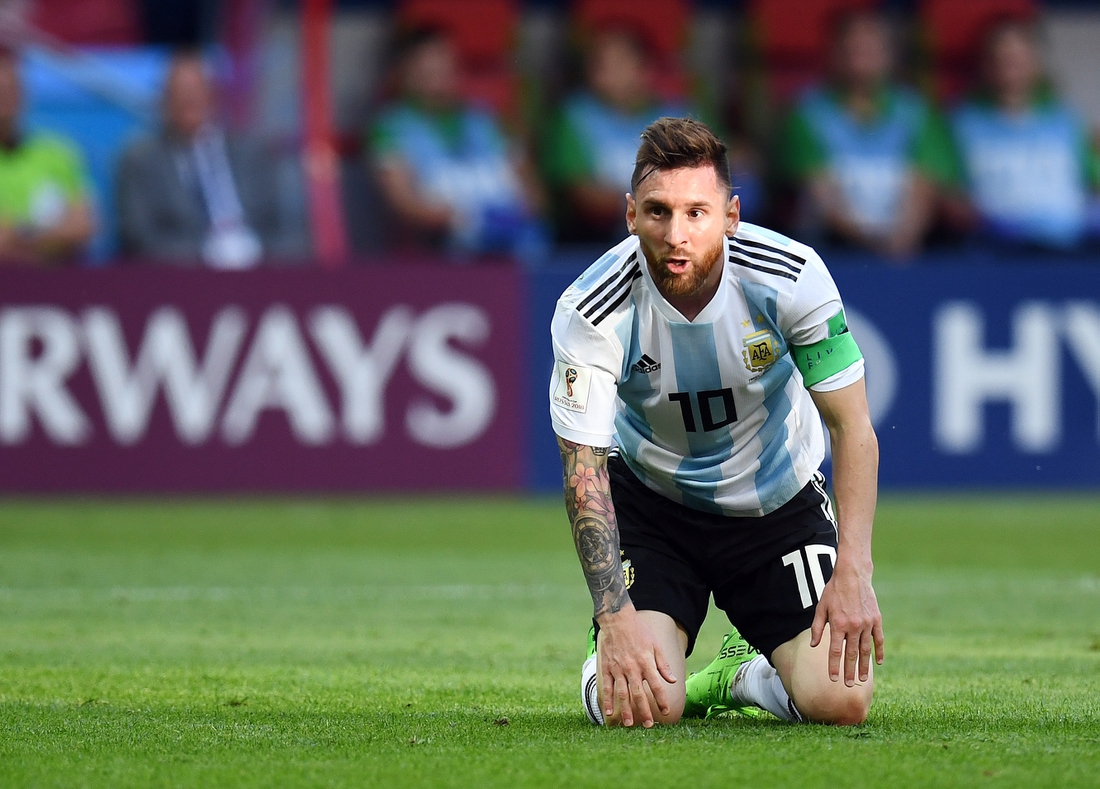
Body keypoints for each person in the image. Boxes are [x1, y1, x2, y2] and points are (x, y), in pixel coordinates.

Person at [550, 117, 882, 728]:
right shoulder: (591, 311)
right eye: (657, 212)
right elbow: (585, 471)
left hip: (776, 504)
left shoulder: (791, 278)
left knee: (842, 702)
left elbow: (852, 428)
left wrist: (854, 569)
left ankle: (743, 674)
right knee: (643, 710)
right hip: (654, 509)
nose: (677, 235)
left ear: (731, 214)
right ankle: (611, 661)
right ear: (629, 215)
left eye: (696, 213)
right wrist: (612, 619)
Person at [782, 11, 954, 259]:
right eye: (851, 47)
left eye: (870, 47)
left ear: (890, 53)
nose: (859, 56)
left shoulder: (917, 113)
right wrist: (869, 244)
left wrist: (899, 243)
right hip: (830, 250)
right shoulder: (807, 115)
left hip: (904, 252)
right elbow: (822, 196)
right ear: (833, 53)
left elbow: (923, 188)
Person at [369, 26, 547, 263]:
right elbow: (405, 204)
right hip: (443, 250)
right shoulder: (390, 128)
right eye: (426, 68)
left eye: (443, 63)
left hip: (517, 244)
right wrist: (465, 219)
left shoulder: (487, 119)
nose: (437, 74)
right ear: (405, 72)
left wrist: (516, 217)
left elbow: (533, 194)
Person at [116, 50, 287, 268]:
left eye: (196, 90)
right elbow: (137, 238)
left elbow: (282, 225)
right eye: (180, 92)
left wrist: (252, 248)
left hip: (257, 270)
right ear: (164, 100)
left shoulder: (252, 151)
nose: (189, 99)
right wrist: (205, 252)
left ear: (214, 96)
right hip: (179, 278)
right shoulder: (139, 159)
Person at [944, 18, 1100, 251]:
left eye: (1018, 56)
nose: (1009, 64)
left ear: (1035, 62)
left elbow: (1093, 176)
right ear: (985, 65)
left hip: (1071, 248)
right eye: (1001, 57)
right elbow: (946, 191)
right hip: (996, 252)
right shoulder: (960, 123)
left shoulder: (1065, 120)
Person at [542, 28, 690, 245]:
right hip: (601, 240)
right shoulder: (574, 117)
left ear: (646, 68)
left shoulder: (681, 117)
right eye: (599, 64)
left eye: (618, 63)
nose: (604, 72)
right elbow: (584, 196)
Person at [0, 49, 95, 265]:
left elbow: (84, 224)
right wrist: (49, 237)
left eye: (9, 91)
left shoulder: (58, 151)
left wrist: (21, 236)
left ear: (22, 95)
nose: (3, 102)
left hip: (56, 280)